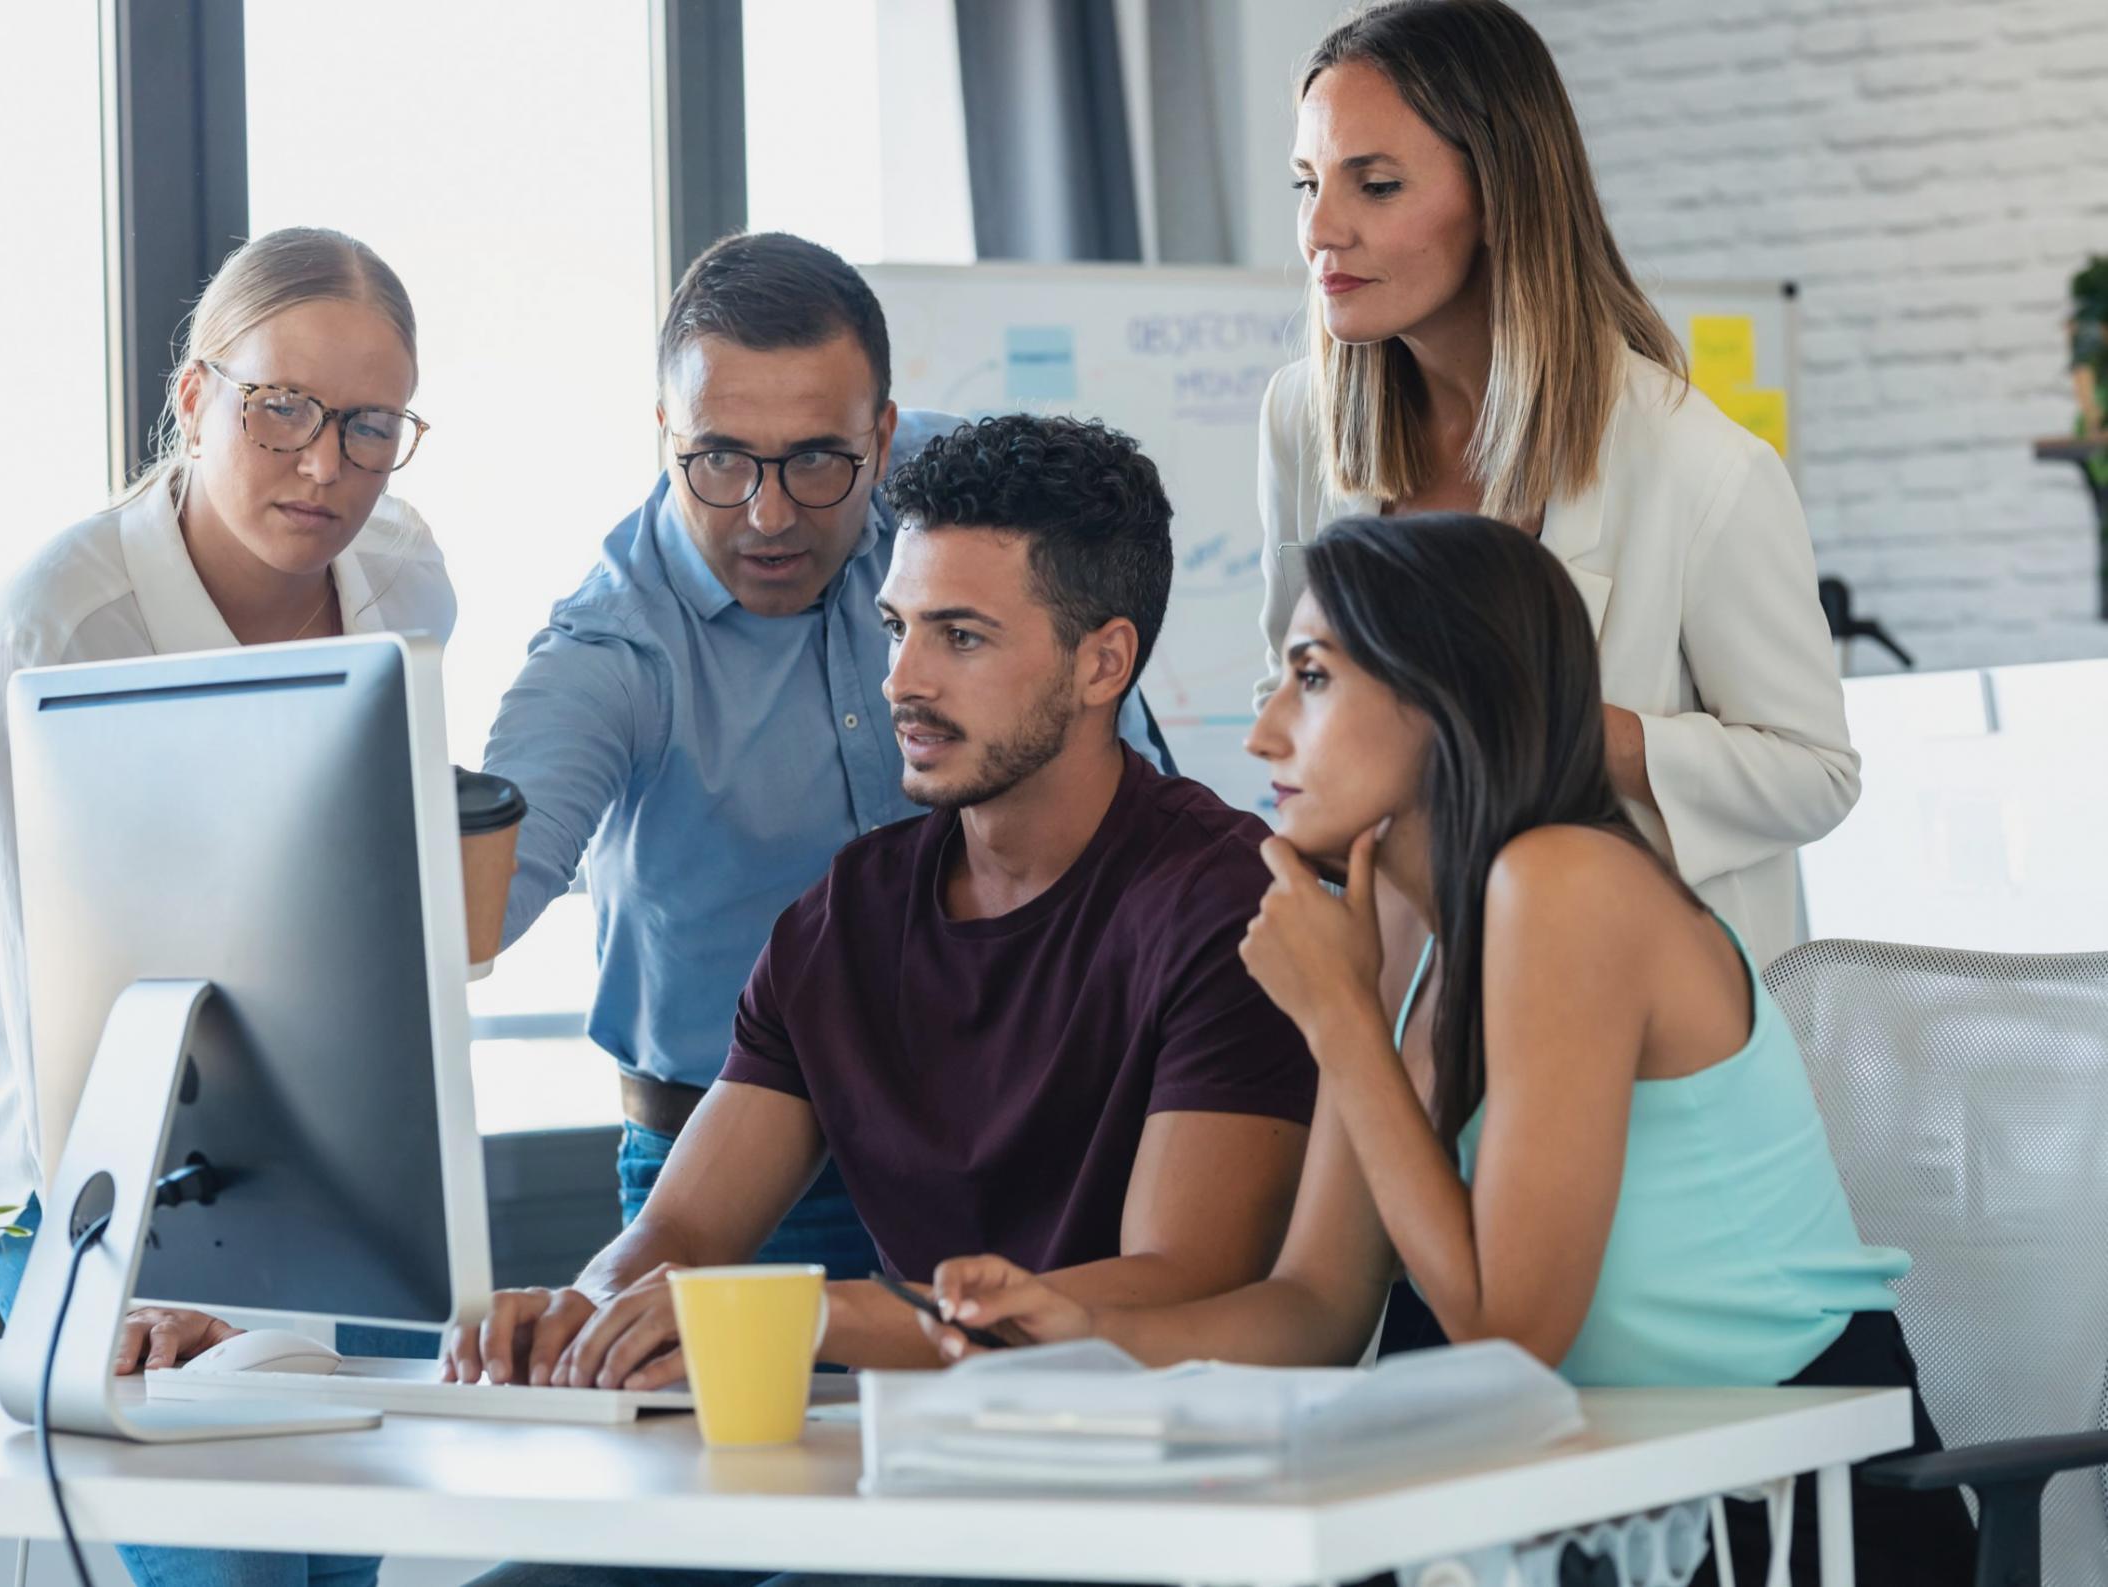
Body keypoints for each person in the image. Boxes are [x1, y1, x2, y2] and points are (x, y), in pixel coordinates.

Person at [922, 514, 1978, 1587]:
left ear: (1442, 698)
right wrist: (1082, 1333)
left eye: (1311, 679)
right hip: (1600, 1499)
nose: (1263, 734)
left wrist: (1338, 1020)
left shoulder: (1563, 882)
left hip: (1793, 1504)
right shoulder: (1394, 928)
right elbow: (1315, 1308)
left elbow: (1510, 1336)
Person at [444, 414, 1314, 1425]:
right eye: (896, 628)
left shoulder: (1228, 906)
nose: (901, 680)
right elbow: (679, 1230)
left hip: (1132, 1486)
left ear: (1101, 664)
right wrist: (581, 1314)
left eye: (961, 636)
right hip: (905, 1477)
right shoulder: (844, 916)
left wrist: (828, 1315)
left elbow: (1179, 1280)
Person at [479, 233, 1166, 1280]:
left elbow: (1114, 765)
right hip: (735, 1162)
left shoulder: (956, 507)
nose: (768, 514)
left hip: (1021, 1134)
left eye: (815, 460)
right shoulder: (612, 647)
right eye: (717, 458)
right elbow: (477, 899)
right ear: (664, 433)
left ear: (881, 437)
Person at [0, 225, 443, 1587]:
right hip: (88, 1183)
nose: (325, 464)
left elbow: (384, 933)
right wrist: (134, 1268)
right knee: (231, 1572)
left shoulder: (402, 577)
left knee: (344, 1565)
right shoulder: (57, 627)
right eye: (279, 408)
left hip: (324, 1180)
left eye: (369, 425)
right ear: (192, 396)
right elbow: (44, 993)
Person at [1256, 0, 1856, 970]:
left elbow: (1813, 777)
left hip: (1635, 1007)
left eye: (1373, 185)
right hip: (1406, 984)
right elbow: (1291, 681)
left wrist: (1558, 726)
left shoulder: (1698, 468)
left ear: (1498, 196)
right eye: (1305, 183)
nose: (1320, 228)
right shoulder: (1298, 420)